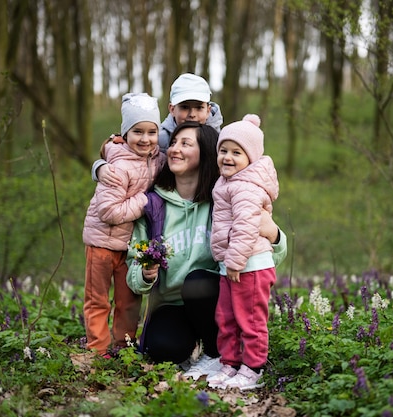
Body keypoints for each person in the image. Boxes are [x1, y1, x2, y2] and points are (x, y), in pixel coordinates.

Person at [125, 120, 287, 382]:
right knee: (163, 348)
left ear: (206, 152)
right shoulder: (154, 205)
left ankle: (216, 354)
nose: (175, 149)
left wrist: (274, 234)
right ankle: (194, 349)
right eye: (174, 142)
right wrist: (144, 274)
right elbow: (133, 270)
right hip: (172, 303)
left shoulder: (225, 198)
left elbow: (269, 257)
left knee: (198, 281)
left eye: (185, 144)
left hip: (214, 295)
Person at [82, 93, 167, 357]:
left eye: (152, 132)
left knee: (129, 300)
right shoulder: (116, 166)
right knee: (98, 299)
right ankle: (98, 349)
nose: (145, 139)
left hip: (130, 245)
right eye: (137, 131)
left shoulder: (158, 158)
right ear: (125, 134)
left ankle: (124, 347)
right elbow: (109, 211)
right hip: (102, 243)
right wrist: (143, 200)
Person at [205, 114, 279, 390]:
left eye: (237, 152)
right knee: (227, 317)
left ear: (251, 157)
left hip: (250, 265)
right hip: (232, 264)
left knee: (250, 319)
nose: (227, 157)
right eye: (223, 150)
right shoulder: (227, 183)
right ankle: (231, 363)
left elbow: (247, 227)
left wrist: (234, 261)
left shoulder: (246, 187)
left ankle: (253, 367)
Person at [92, 73, 223, 186]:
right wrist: (100, 168)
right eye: (184, 107)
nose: (192, 114)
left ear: (208, 110)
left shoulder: (219, 138)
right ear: (172, 109)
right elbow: (122, 154)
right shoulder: (159, 137)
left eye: (199, 107)